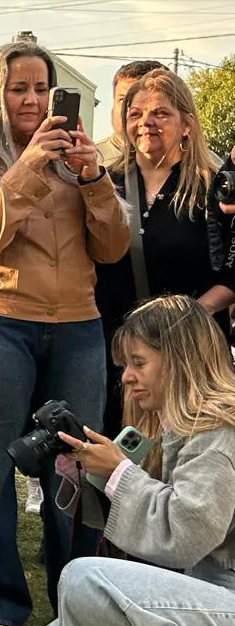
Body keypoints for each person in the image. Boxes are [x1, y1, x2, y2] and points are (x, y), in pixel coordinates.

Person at [0, 40, 130, 626]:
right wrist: (22, 173)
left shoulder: (83, 159)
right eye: (19, 88)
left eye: (42, 88)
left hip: (76, 322)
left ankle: (77, 599)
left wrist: (95, 179)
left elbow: (114, 248)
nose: (33, 100)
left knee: (77, 464)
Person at [28, 295, 235, 626]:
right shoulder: (180, 424)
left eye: (138, 362)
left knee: (82, 579)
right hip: (212, 602)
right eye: (125, 364)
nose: (125, 376)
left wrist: (122, 474)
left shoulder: (221, 427)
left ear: (180, 358)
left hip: (226, 603)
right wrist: (97, 476)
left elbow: (185, 536)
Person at [96, 68, 235, 436]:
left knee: (188, 454)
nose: (146, 123)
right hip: (118, 355)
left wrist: (187, 318)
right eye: (136, 114)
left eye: (161, 113)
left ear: (186, 124)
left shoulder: (213, 187)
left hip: (191, 352)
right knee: (122, 457)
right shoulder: (103, 182)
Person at [96, 59, 165, 164]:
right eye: (123, 100)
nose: (131, 110)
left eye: (145, 101)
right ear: (113, 109)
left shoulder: (190, 166)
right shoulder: (89, 163)